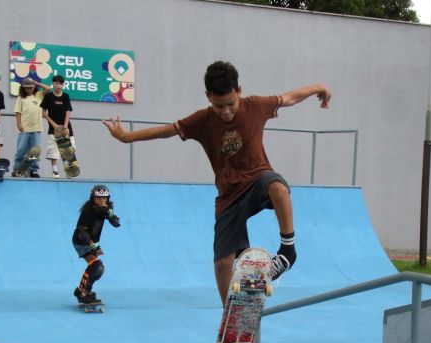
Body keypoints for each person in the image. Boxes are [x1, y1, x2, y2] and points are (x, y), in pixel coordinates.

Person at [102, 60, 331, 303]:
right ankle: (229, 317)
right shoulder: (202, 120)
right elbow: (167, 131)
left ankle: (287, 251)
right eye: (219, 106)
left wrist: (317, 87)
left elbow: (288, 98)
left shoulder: (255, 106)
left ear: (239, 91)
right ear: (208, 97)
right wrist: (127, 137)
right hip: (228, 197)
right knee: (223, 263)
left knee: (278, 186)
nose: (226, 111)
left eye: (231, 104)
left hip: (257, 181)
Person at [72, 184, 121, 304]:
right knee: (96, 266)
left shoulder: (105, 208)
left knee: (96, 269)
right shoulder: (88, 210)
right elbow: (82, 232)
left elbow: (116, 224)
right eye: (99, 198)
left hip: (92, 242)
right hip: (81, 241)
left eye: (104, 198)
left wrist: (109, 213)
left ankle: (83, 292)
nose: (102, 200)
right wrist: (93, 245)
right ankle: (82, 292)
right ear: (93, 198)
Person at [12, 77, 50, 177]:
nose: (29, 89)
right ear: (23, 88)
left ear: (34, 87)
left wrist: (36, 82)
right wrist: (19, 124)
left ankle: (33, 170)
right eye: (27, 88)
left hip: (36, 128)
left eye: (31, 87)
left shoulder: (38, 95)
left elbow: (48, 88)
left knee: (35, 151)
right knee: (21, 150)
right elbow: (18, 112)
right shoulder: (21, 98)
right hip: (24, 129)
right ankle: (17, 169)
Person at [41, 74, 74, 178]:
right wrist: (53, 124)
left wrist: (65, 126)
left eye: (60, 84)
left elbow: (68, 111)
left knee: (68, 148)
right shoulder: (48, 96)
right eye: (56, 83)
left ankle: (69, 169)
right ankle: (55, 170)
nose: (58, 85)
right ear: (53, 84)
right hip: (53, 128)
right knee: (53, 149)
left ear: (63, 85)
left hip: (65, 127)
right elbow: (43, 112)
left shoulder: (66, 96)